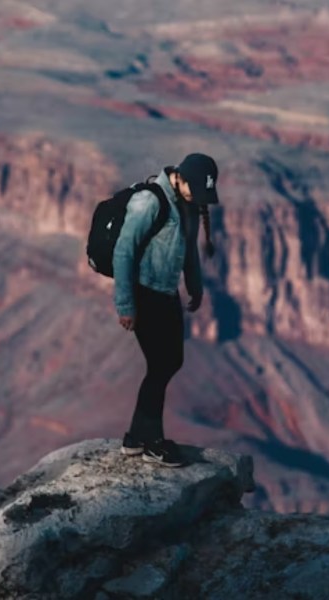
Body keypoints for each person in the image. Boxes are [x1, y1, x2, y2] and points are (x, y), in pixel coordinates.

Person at [113, 153, 219, 467]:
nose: (197, 198)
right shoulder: (150, 201)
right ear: (180, 178)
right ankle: (149, 441)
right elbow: (123, 252)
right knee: (161, 364)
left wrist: (195, 286)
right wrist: (125, 304)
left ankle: (137, 437)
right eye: (194, 190)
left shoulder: (187, 203)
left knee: (171, 361)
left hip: (167, 293)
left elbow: (188, 251)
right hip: (144, 295)